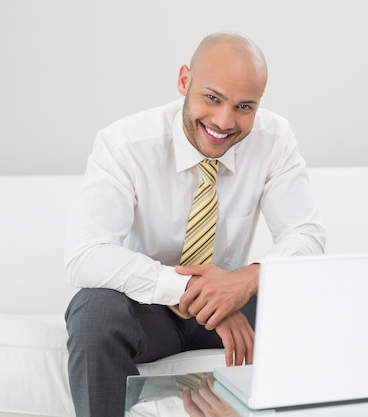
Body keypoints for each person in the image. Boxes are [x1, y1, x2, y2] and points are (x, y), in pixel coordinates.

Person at [64, 31, 326, 417]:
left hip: (231, 297)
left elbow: (307, 235)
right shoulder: (124, 144)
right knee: (93, 312)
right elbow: (85, 256)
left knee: (317, 301)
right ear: (185, 80)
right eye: (212, 98)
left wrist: (246, 282)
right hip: (150, 308)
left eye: (244, 107)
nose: (224, 121)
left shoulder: (275, 139)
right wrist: (198, 293)